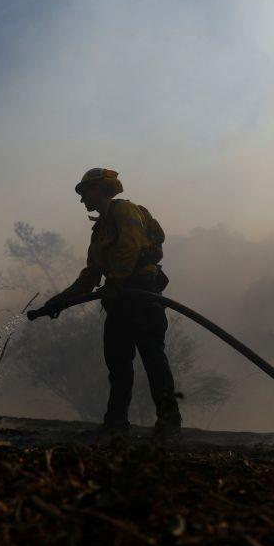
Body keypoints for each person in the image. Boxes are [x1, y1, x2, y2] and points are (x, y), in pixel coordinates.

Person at [41, 168, 182, 438]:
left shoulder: (124, 211)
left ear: (101, 188)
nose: (82, 200)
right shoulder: (100, 230)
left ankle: (169, 423)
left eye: (85, 192)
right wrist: (58, 301)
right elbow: (91, 274)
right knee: (117, 364)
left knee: (154, 361)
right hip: (119, 301)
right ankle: (115, 423)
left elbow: (129, 247)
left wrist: (115, 282)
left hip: (142, 295)